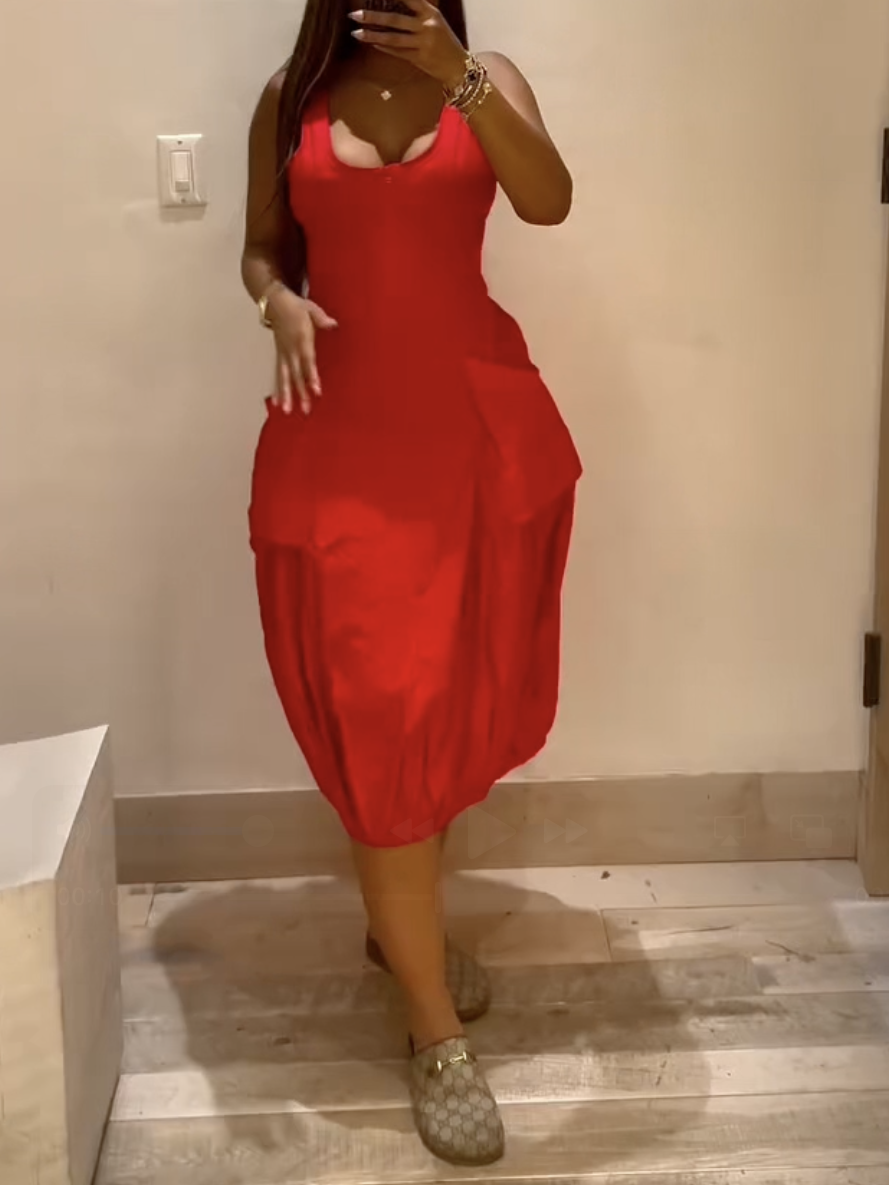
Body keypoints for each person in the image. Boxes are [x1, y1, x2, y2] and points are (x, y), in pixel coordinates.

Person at [241, 0, 581, 1165]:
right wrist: (277, 300)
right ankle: (435, 1037)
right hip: (340, 442)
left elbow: (548, 200)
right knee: (380, 713)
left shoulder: (487, 77)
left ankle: (400, 937)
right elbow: (260, 250)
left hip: (468, 438)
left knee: (442, 705)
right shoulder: (291, 99)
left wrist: (460, 76)